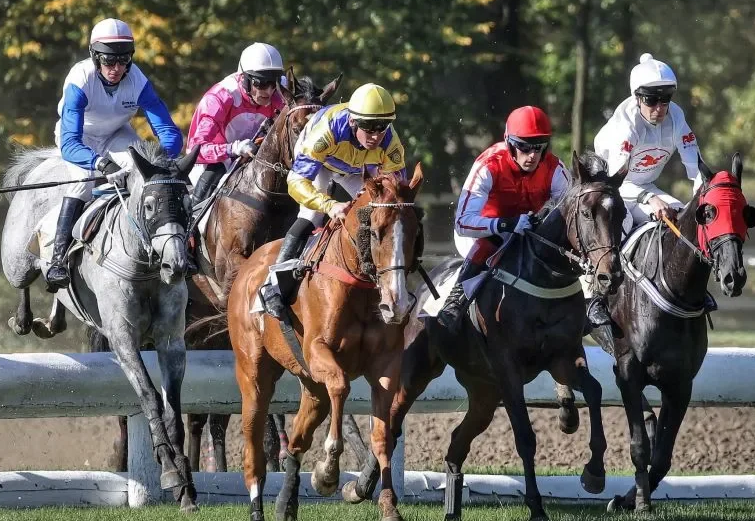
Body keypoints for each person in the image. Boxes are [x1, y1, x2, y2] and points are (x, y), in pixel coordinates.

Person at [436, 106, 614, 335]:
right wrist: (506, 224)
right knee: (490, 242)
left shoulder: (554, 169)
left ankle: (589, 300)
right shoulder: (488, 165)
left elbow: (572, 214)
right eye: (524, 147)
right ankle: (456, 299)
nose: (532, 155)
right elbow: (463, 223)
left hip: (530, 230)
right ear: (509, 143)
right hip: (482, 231)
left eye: (539, 147)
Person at [45, 18, 183, 292]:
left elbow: (169, 131)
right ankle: (57, 259)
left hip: (117, 134)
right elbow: (70, 143)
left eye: (123, 61)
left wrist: (160, 161)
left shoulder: (137, 80)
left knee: (141, 171)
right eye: (109, 62)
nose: (117, 69)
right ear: (95, 57)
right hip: (79, 137)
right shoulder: (80, 78)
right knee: (84, 179)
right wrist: (100, 163)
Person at [259, 83, 405, 319]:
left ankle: (387, 285)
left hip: (359, 169)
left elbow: (394, 194)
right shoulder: (327, 131)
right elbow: (296, 182)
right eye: (368, 127)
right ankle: (272, 287)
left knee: (382, 215)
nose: (376, 135)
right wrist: (329, 204)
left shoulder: (390, 142)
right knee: (311, 215)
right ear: (353, 122)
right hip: (322, 164)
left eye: (383, 126)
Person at [593, 52, 713, 312]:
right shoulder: (626, 126)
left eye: (666, 99)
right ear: (637, 98)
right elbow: (616, 181)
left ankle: (692, 292)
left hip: (646, 189)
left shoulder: (676, 117)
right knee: (620, 224)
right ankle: (599, 297)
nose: (660, 108)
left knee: (685, 219)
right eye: (651, 100)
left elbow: (696, 168)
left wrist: (701, 200)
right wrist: (650, 199)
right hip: (611, 191)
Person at [186, 42, 287, 203]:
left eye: (273, 82)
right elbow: (194, 150)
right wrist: (233, 149)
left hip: (257, 156)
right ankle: (192, 221)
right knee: (214, 172)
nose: (268, 91)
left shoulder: (279, 93)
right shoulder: (219, 98)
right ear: (243, 78)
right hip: (218, 160)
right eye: (260, 83)